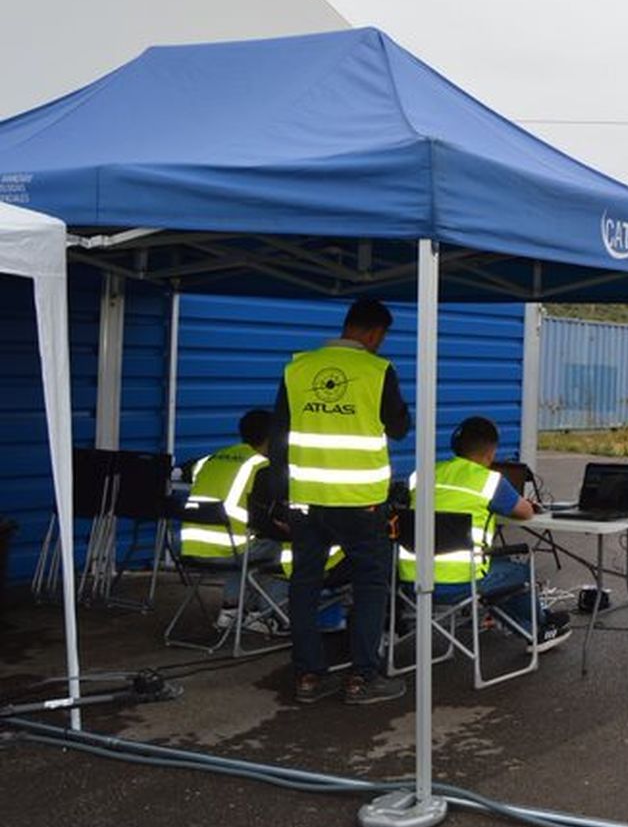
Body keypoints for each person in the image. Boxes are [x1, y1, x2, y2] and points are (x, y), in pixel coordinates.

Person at [269, 297, 410, 705]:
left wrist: (281, 496)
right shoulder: (378, 370)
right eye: (381, 337)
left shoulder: (297, 367)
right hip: (360, 501)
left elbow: (280, 434)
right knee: (370, 583)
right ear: (373, 333)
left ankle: (308, 677)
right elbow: (400, 427)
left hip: (306, 500)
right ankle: (362, 677)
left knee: (305, 583)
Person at [400, 415, 571, 652]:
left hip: (412, 579)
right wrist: (525, 503)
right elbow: (525, 513)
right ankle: (540, 629)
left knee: (498, 564)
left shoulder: (422, 474)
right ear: (491, 453)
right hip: (460, 582)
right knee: (519, 571)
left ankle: (529, 624)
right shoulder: (489, 481)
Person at [179, 408, 278, 629]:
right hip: (228, 552)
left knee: (245, 544)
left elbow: (183, 470)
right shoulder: (261, 466)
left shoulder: (212, 459)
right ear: (272, 438)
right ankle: (265, 616)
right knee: (278, 548)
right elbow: (265, 519)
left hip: (191, 550)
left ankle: (231, 610)